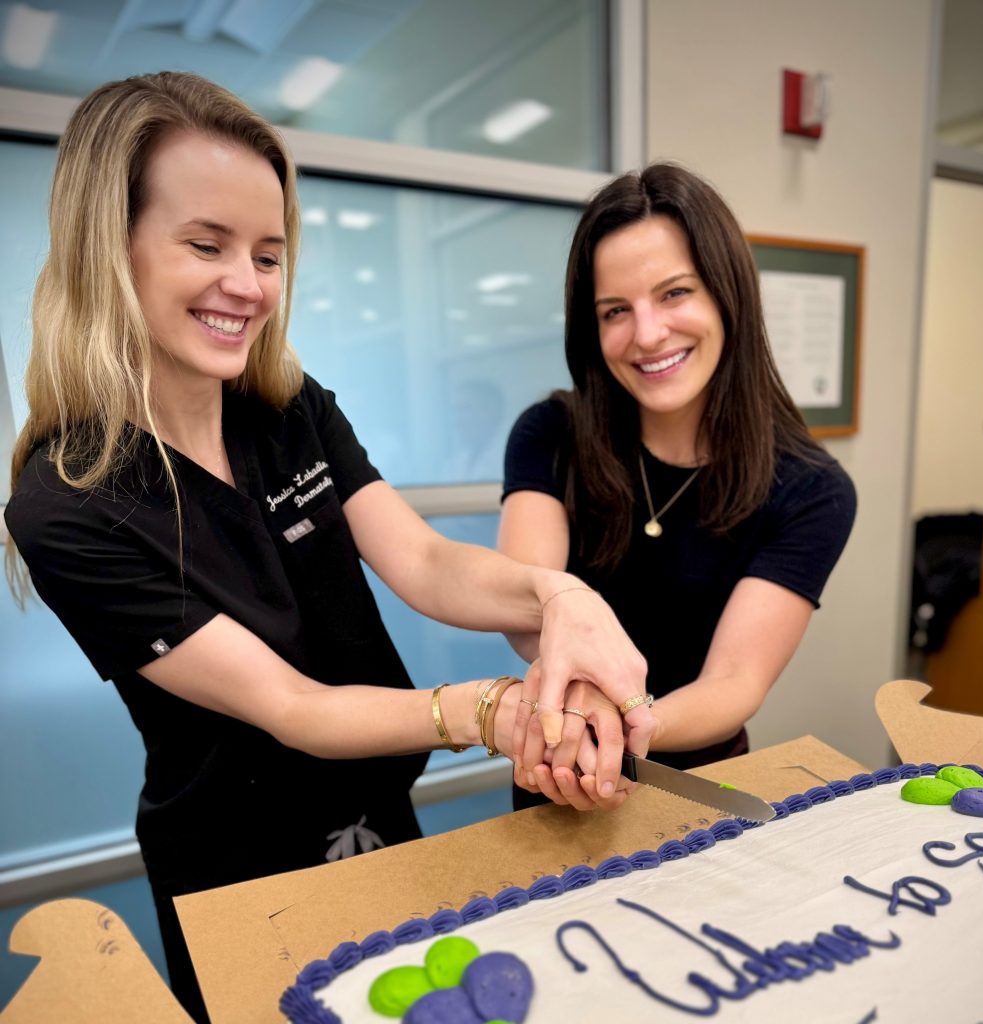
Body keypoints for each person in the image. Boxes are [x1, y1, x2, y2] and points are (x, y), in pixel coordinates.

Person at [2, 72, 654, 1022]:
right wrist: (492, 710)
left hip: (381, 818)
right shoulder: (67, 504)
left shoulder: (288, 410)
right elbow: (294, 707)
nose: (247, 285)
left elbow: (425, 563)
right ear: (111, 249)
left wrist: (562, 599)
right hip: (237, 871)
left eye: (268, 254)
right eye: (205, 245)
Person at [499, 162, 856, 811]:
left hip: (695, 786)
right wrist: (580, 714)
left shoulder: (810, 488)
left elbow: (735, 679)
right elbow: (525, 601)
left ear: (727, 293)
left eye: (674, 293)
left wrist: (622, 726)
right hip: (562, 767)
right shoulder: (550, 433)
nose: (648, 333)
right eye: (615, 310)